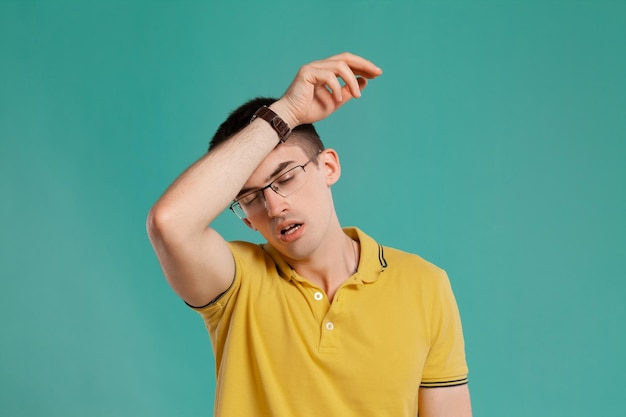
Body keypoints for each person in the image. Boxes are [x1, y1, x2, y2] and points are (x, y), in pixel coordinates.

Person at [147, 52, 472, 417]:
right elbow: (169, 223)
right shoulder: (237, 283)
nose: (274, 206)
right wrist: (285, 112)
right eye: (251, 198)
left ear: (328, 167)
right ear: (246, 220)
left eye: (286, 177)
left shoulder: (425, 285)